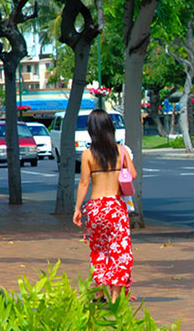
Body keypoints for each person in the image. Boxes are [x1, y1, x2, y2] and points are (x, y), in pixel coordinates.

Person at [73, 109, 137, 303]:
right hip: (115, 207)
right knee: (119, 251)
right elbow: (132, 175)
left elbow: (84, 183)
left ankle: (99, 292)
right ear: (110, 127)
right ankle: (116, 295)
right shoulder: (121, 151)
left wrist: (77, 209)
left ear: (91, 130)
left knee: (99, 250)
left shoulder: (87, 155)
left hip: (96, 208)